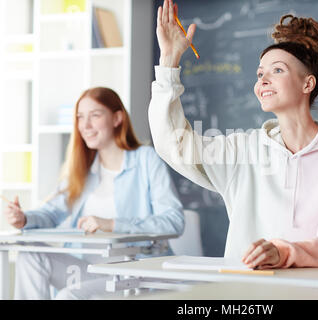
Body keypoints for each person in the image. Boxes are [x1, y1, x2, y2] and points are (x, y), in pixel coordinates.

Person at [149, 0, 318, 270]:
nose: (263, 80)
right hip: (250, 295)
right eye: (260, 74)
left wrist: (283, 253)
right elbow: (173, 144)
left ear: (308, 83)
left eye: (277, 70)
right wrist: (168, 62)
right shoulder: (244, 150)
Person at [4, 87, 184, 299]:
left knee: (68, 296)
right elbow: (51, 213)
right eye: (80, 117)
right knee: (29, 254)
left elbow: (174, 221)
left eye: (95, 115)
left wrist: (113, 224)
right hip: (88, 271)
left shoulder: (146, 160)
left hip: (133, 274)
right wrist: (24, 218)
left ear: (117, 118)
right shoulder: (82, 170)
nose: (85, 126)